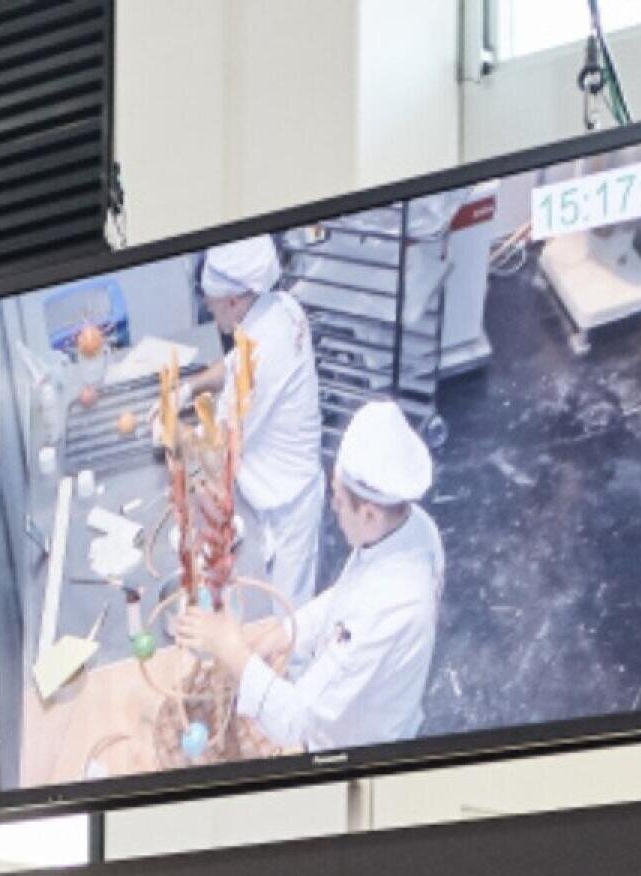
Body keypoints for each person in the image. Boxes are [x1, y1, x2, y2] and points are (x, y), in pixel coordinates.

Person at [174, 401, 444, 752]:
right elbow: (348, 595)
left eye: (338, 502)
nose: (334, 510)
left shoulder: (392, 605)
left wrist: (231, 649)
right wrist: (284, 634)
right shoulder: (411, 525)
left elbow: (293, 720)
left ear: (370, 514)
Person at [171, 235, 324, 606]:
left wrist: (168, 425)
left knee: (285, 622)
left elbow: (217, 447)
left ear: (235, 301)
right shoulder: (282, 306)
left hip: (284, 508)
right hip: (286, 489)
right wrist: (189, 388)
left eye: (213, 305)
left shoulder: (259, 363)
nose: (210, 310)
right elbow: (233, 361)